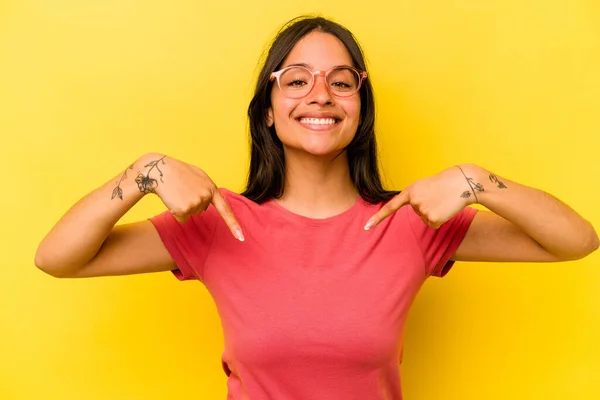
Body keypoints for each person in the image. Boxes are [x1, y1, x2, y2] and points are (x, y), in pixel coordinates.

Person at [35, 15, 598, 400]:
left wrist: (477, 181)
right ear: (268, 113)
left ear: (360, 106)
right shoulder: (217, 223)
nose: (320, 95)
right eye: (296, 80)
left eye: (342, 81)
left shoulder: (412, 222)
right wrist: (144, 172)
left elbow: (575, 241)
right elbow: (57, 258)